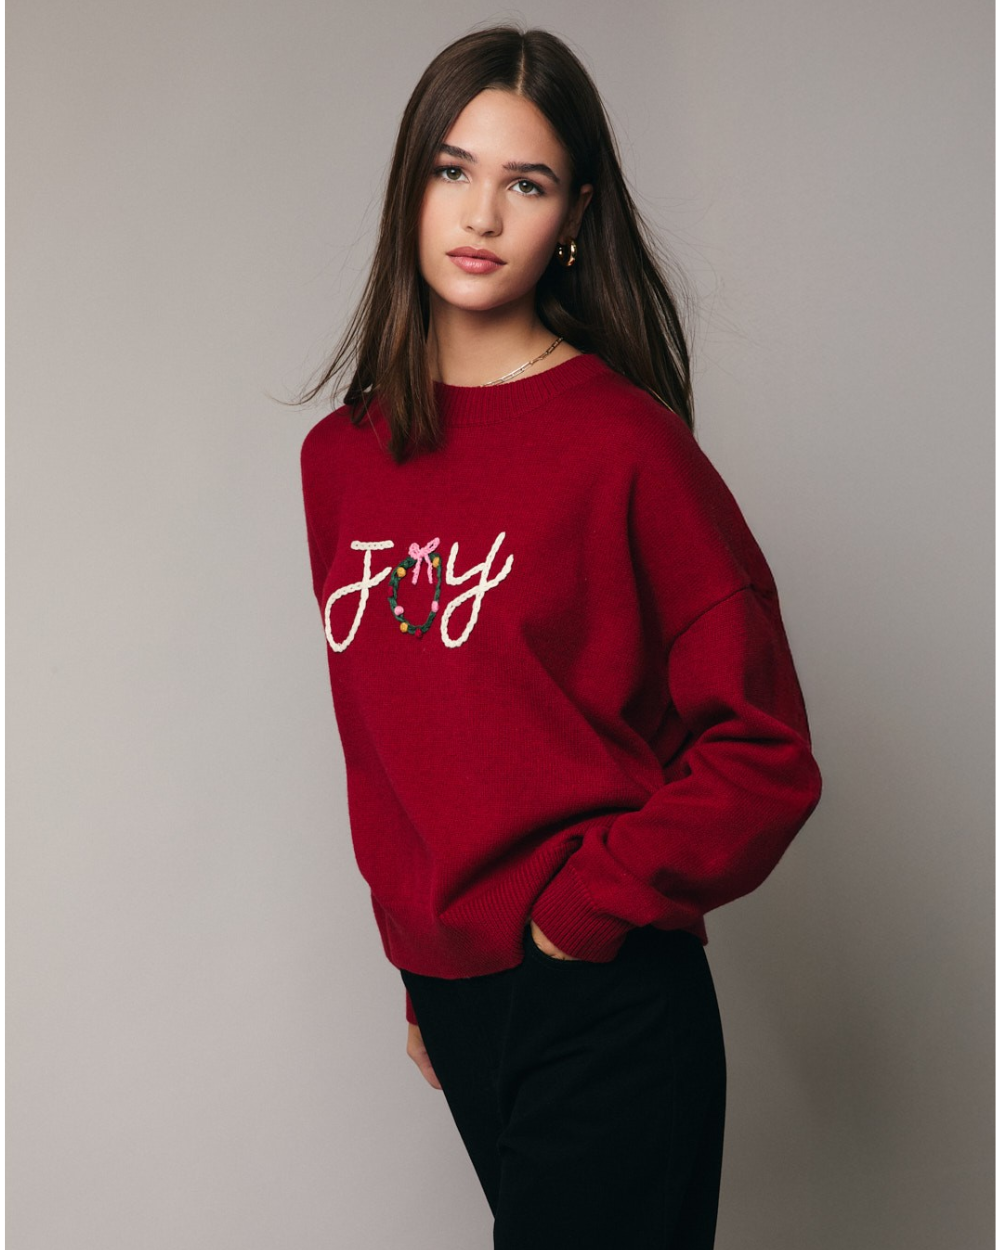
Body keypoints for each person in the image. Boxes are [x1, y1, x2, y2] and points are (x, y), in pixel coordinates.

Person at [293, 23, 822, 1250]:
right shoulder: (340, 460)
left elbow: (765, 752)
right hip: (454, 994)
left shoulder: (626, 447)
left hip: (603, 989)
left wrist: (575, 913)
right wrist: (422, 956)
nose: (480, 214)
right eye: (452, 170)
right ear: (410, 187)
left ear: (573, 215)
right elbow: (393, 738)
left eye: (524, 183)